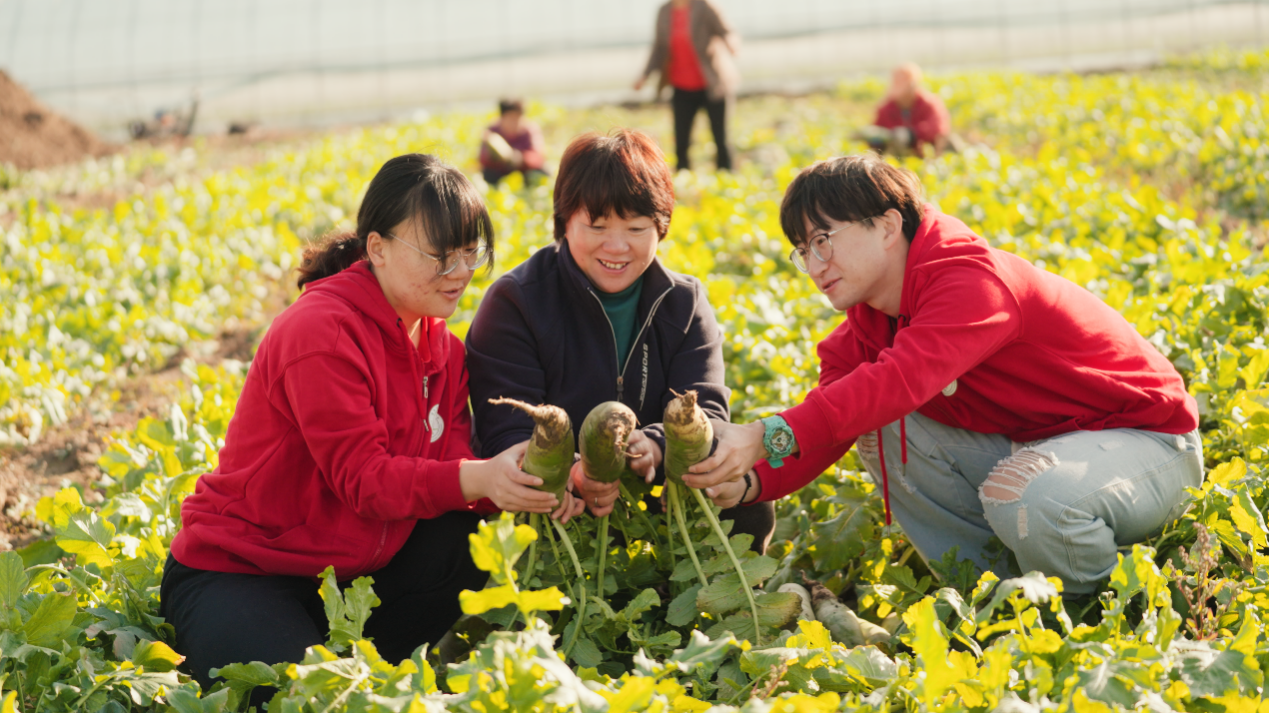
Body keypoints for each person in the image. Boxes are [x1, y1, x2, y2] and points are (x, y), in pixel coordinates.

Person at [160, 154, 584, 705]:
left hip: (352, 582)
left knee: (467, 537)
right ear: (377, 248)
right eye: (439, 255)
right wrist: (481, 478)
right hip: (245, 572)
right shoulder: (321, 332)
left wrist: (527, 483)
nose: (459, 272)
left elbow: (453, 469)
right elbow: (364, 480)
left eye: (469, 252)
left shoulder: (442, 347)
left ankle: (341, 655)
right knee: (305, 700)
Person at [684, 154, 1203, 595]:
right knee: (877, 422)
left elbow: (899, 379)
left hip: (1147, 447)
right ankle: (999, 598)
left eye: (824, 240)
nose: (815, 263)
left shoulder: (970, 281)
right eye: (803, 250)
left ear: (887, 226)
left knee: (1024, 494)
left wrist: (765, 433)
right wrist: (753, 480)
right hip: (1049, 450)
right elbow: (836, 420)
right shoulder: (865, 325)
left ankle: (1101, 608)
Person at [466, 129, 776, 553]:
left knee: (745, 497)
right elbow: (505, 431)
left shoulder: (683, 303)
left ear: (660, 227)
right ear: (564, 223)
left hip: (654, 498)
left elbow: (708, 411)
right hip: (556, 504)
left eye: (635, 227)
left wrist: (654, 446)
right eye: (596, 225)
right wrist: (574, 473)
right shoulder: (517, 301)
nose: (617, 246)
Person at [634, 0, 739, 172]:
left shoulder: (705, 7)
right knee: (681, 141)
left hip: (712, 85)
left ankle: (726, 175)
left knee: (721, 138)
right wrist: (645, 75)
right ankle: (683, 178)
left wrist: (732, 44)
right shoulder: (664, 12)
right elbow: (659, 48)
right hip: (681, 86)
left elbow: (726, 31)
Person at [857, 63, 953, 157]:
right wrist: (874, 137)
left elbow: (938, 127)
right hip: (898, 155)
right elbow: (878, 130)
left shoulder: (929, 103)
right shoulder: (886, 109)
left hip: (926, 153)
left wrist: (912, 134)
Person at [479, 98, 548, 186]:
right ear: (502, 118)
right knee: (487, 174)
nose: (514, 122)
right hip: (501, 172)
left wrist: (520, 158)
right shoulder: (492, 132)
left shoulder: (530, 130)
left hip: (523, 171)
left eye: (517, 118)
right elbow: (482, 159)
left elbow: (538, 157)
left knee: (542, 173)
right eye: (510, 118)